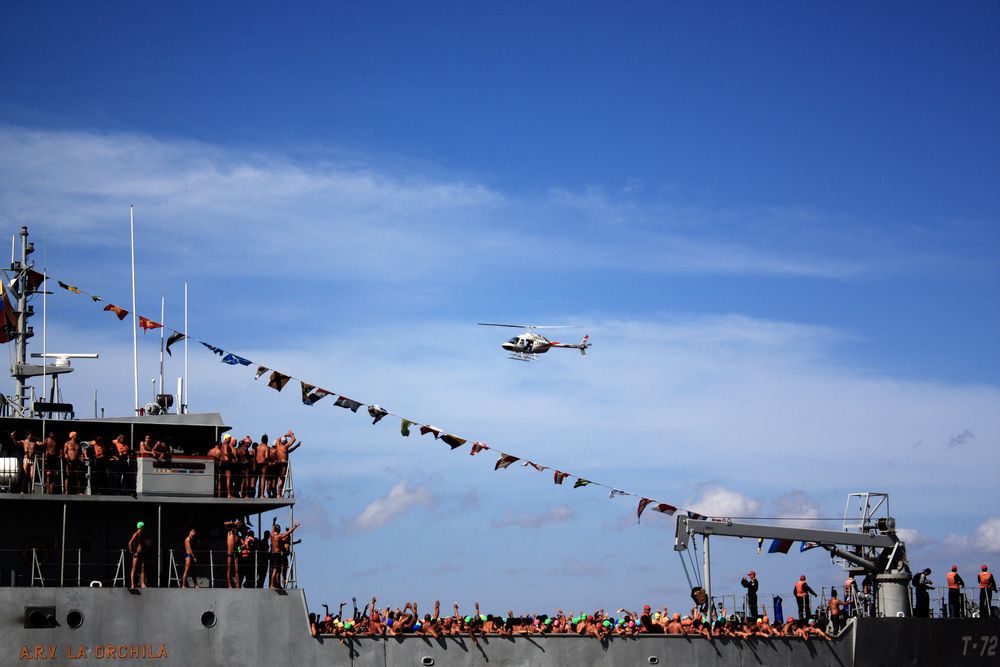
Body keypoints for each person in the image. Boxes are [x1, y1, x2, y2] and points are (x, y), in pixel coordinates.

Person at [269, 520, 300, 589]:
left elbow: (272, 529)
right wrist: (295, 526)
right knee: (275, 570)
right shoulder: (278, 536)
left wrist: (273, 522)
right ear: (279, 530)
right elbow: (289, 532)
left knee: (276, 570)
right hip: (277, 554)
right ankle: (272, 585)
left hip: (272, 554)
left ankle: (275, 584)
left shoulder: (271, 535)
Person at [274, 430, 300, 498]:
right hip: (283, 464)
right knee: (282, 479)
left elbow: (277, 439)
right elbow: (294, 439)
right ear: (285, 442)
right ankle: (279, 494)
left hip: (279, 464)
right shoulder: (285, 447)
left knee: (281, 479)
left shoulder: (278, 445)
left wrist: (285, 435)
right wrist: (290, 434)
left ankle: (279, 494)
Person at [224, 519, 243, 588]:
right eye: (237, 525)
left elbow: (243, 544)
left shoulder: (237, 535)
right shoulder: (229, 531)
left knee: (236, 570)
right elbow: (225, 523)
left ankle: (237, 585)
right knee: (229, 569)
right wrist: (233, 522)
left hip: (235, 554)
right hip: (229, 554)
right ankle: (229, 585)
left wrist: (240, 547)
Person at [128, 521, 147, 589]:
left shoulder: (142, 535)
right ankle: (132, 585)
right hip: (136, 554)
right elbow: (129, 543)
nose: (144, 528)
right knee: (134, 569)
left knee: (143, 568)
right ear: (141, 527)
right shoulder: (136, 534)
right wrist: (132, 552)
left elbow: (141, 544)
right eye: (143, 527)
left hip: (141, 554)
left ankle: (142, 584)